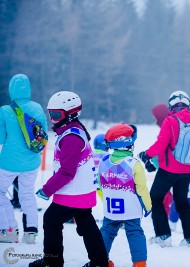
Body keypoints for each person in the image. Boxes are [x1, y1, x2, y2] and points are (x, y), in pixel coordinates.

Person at [29, 91, 108, 267]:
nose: (52, 119)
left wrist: (47, 189)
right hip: (81, 191)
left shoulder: (71, 137)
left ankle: (52, 261)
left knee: (51, 219)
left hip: (73, 192)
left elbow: (67, 172)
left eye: (56, 115)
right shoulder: (72, 131)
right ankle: (99, 262)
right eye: (51, 114)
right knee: (86, 225)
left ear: (71, 114)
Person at [138, 90, 190, 248]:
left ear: (171, 104)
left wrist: (147, 154)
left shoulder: (170, 119)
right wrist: (189, 149)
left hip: (168, 169)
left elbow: (161, 143)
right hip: (186, 169)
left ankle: (163, 236)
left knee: (155, 199)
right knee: (182, 202)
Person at [0, 74, 48, 244]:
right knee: (27, 195)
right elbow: (43, 134)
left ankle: (9, 230)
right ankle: (31, 233)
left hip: (8, 162)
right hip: (32, 161)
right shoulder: (37, 108)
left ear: (11, 89)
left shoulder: (5, 110)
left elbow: (1, 139)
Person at [99, 123, 152, 267]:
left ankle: (100, 260)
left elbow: (101, 184)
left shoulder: (103, 161)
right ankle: (139, 263)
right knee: (135, 233)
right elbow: (141, 188)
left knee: (107, 231)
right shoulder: (134, 164)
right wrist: (148, 206)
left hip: (111, 208)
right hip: (130, 208)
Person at [151, 104, 173, 215]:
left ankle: (163, 214)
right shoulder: (168, 123)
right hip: (166, 164)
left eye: (155, 116)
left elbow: (163, 145)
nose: (154, 119)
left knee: (163, 193)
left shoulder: (167, 124)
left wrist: (151, 156)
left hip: (169, 165)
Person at [93, 133, 109, 200]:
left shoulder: (90, 154)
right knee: (106, 201)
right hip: (103, 185)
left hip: (92, 185)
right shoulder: (106, 156)